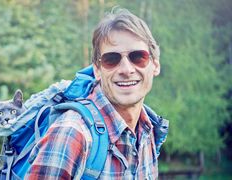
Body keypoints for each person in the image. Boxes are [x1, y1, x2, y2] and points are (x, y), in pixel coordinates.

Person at [26, 8, 169, 179]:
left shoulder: (149, 130)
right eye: (111, 59)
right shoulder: (72, 132)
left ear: (155, 65)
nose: (126, 69)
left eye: (138, 57)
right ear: (97, 70)